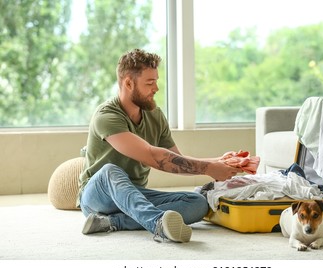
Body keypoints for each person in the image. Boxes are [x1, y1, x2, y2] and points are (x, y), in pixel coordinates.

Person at [77, 48, 241, 243]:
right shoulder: (107, 116)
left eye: (156, 81)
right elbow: (152, 156)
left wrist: (219, 161)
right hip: (99, 196)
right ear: (128, 83)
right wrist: (210, 168)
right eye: (150, 82)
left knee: (197, 203)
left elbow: (176, 160)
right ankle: (157, 223)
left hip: (135, 196)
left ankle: (112, 222)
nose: (156, 88)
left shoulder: (155, 115)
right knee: (110, 171)